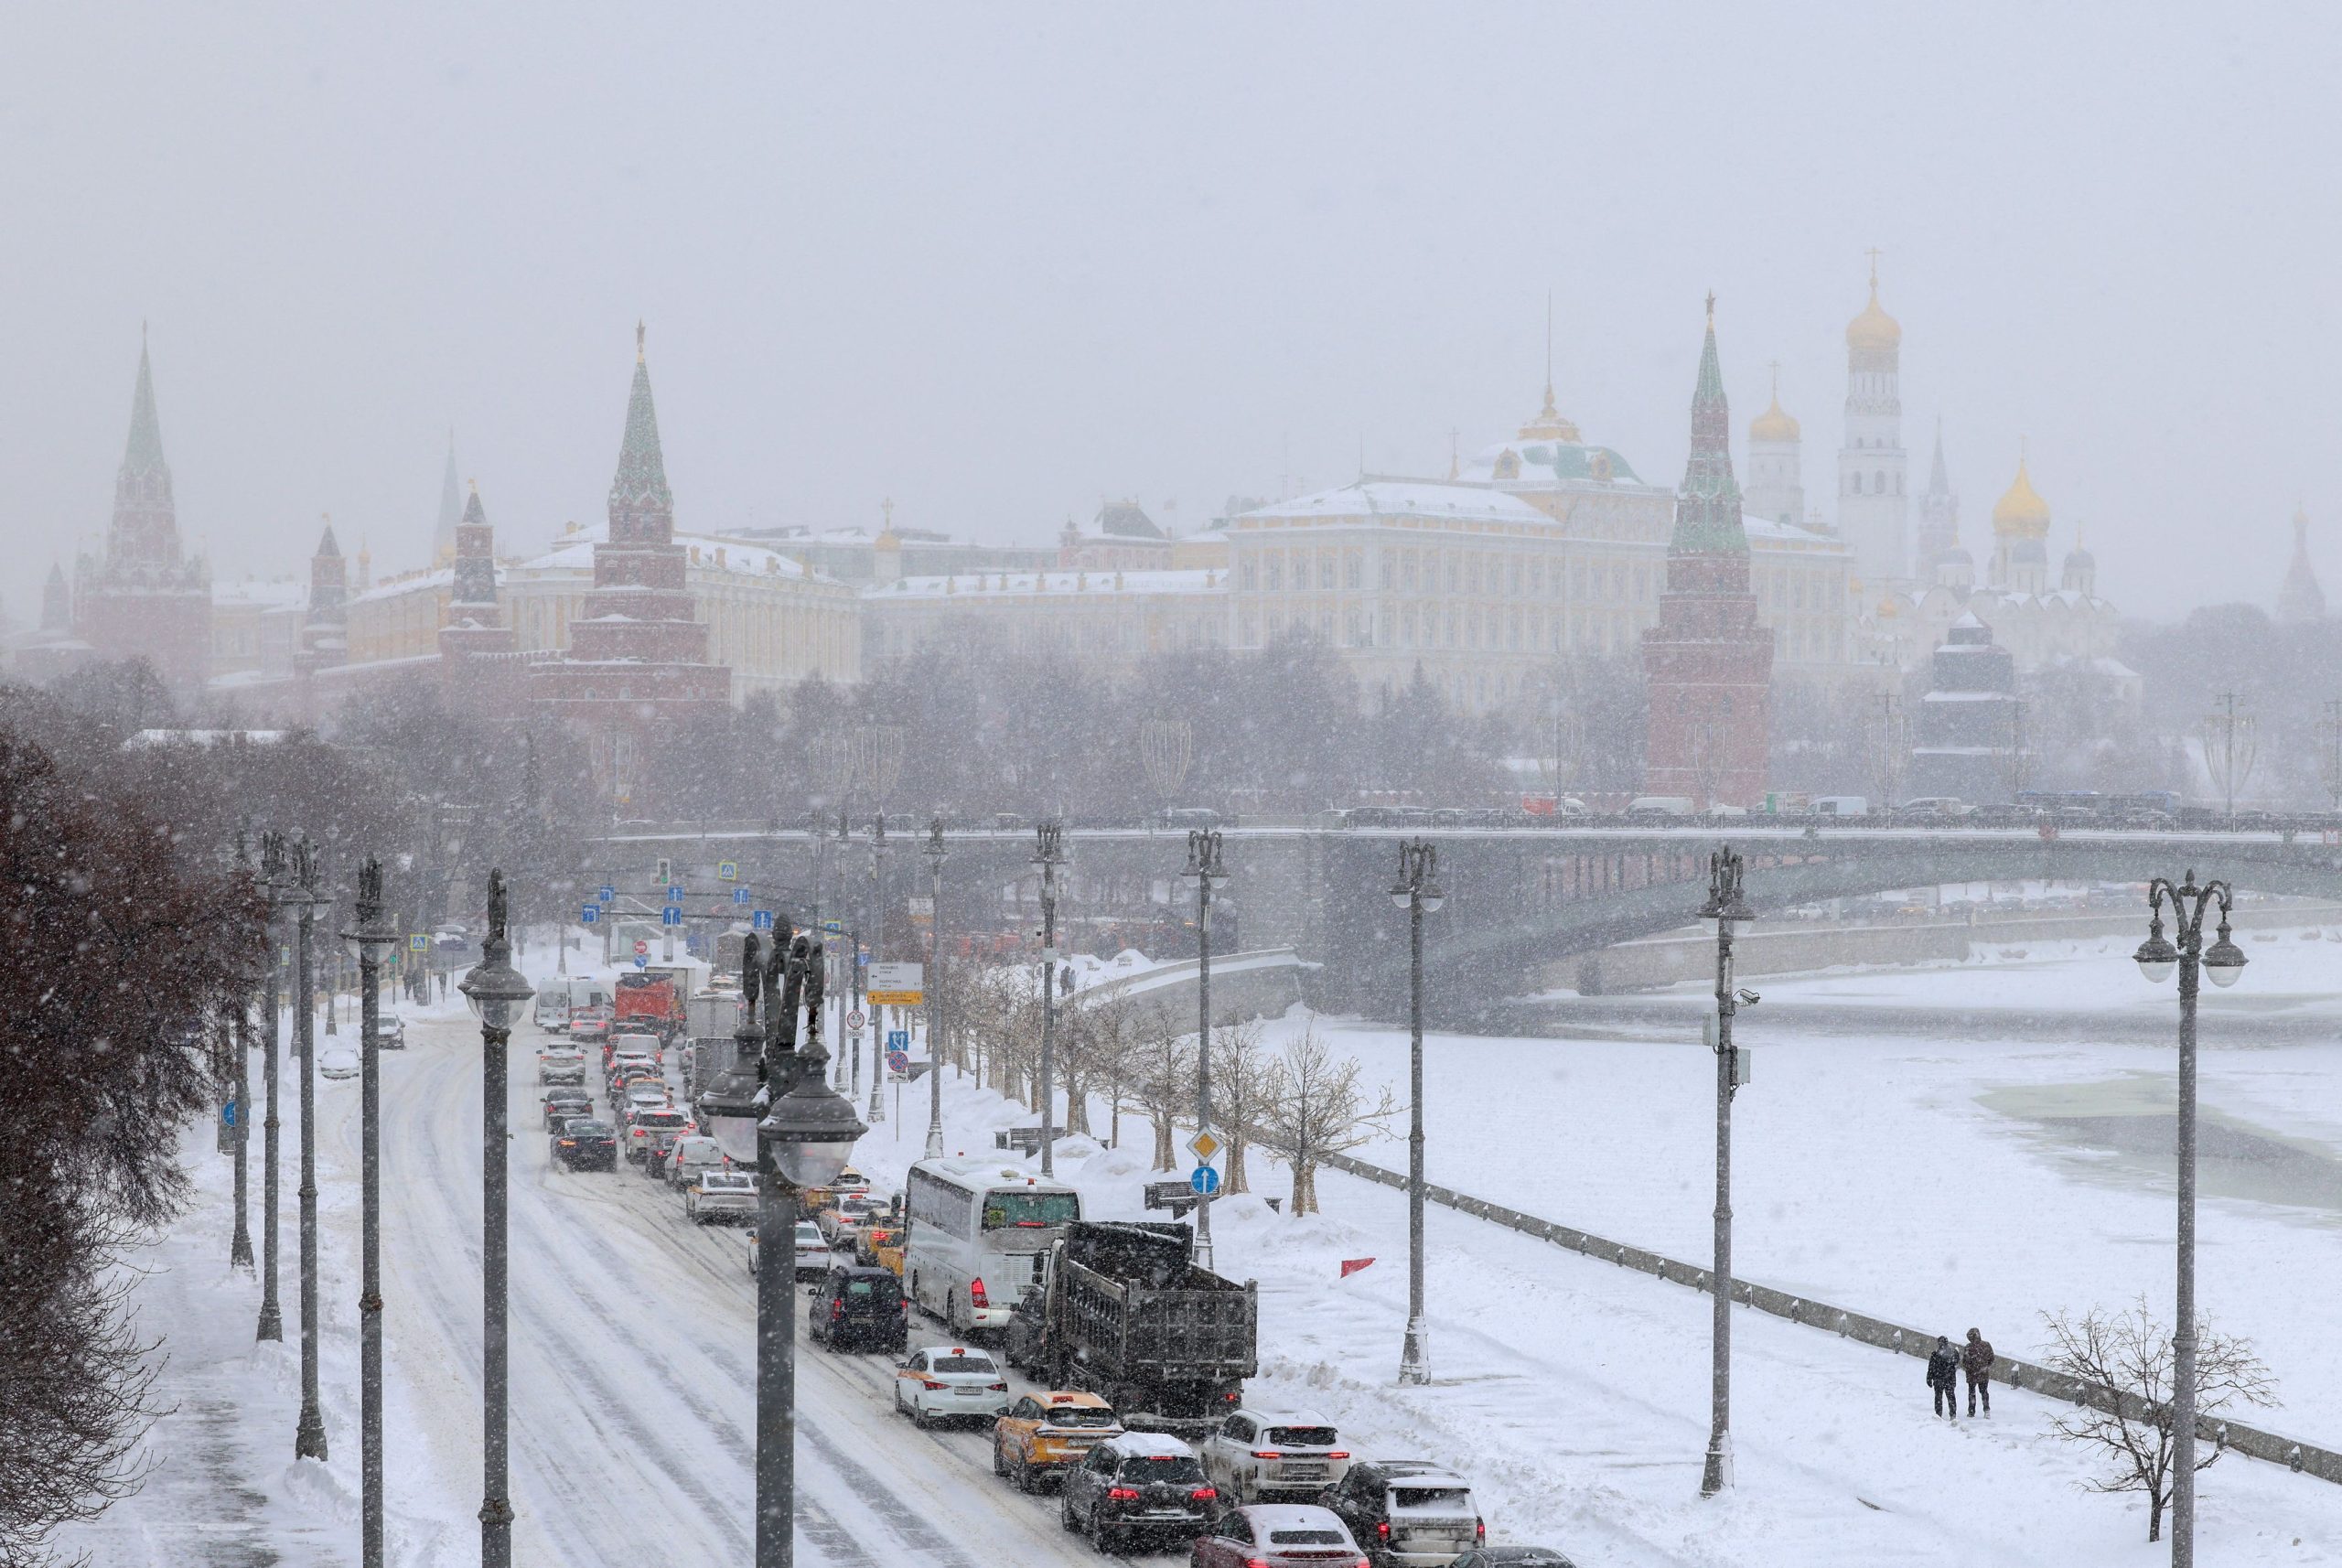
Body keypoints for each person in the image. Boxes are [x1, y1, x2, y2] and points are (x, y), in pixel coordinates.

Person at [1927, 1335, 1961, 1419]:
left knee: (1938, 1397)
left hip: (1938, 1379)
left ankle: (1938, 1414)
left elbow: (1931, 1367)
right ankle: (1953, 1414)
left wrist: (1929, 1378)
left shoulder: (1935, 1353)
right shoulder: (1953, 1352)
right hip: (1950, 1379)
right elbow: (1956, 1364)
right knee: (1951, 1397)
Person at [1963, 1327, 1995, 1416]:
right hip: (1983, 1374)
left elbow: (1965, 1362)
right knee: (1984, 1392)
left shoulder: (1968, 1347)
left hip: (1972, 1375)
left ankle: (1971, 1411)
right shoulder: (1986, 1345)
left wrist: (1971, 1369)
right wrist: (1985, 1366)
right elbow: (1992, 1358)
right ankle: (1986, 1410)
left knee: (1971, 1393)